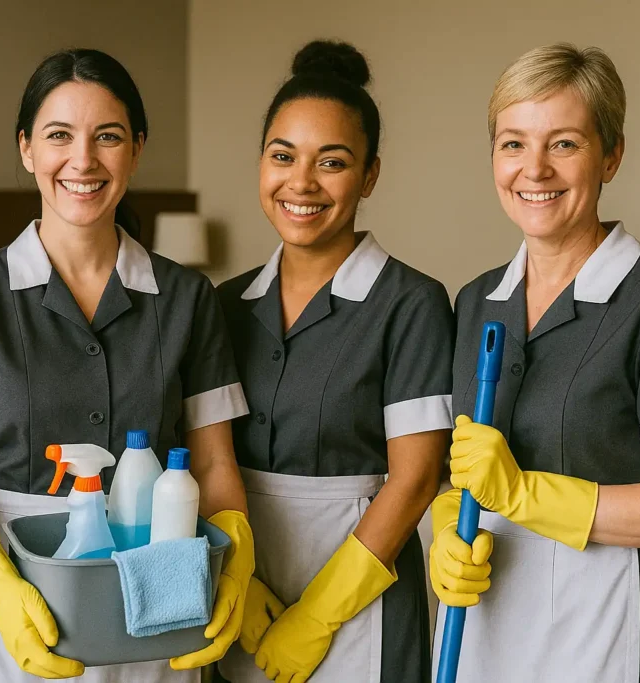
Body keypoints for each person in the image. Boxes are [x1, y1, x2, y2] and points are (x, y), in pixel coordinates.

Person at [0, 48, 254, 682]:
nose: (84, 160)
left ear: (137, 149)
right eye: (59, 135)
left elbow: (212, 464)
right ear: (26, 149)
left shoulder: (186, 300)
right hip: (6, 610)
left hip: (152, 597)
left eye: (109, 137)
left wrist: (233, 568)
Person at [430, 43, 640, 683]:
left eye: (563, 143)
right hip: (484, 617)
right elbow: (459, 472)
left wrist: (521, 492)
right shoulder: (478, 300)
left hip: (605, 624)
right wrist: (443, 536)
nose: (533, 169)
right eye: (513, 144)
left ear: (611, 155)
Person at [216, 41, 453, 683]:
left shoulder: (411, 304)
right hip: (243, 594)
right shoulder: (225, 306)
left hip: (360, 604)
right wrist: (234, 578)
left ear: (370, 175)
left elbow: (417, 477)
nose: (302, 182)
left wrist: (318, 615)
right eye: (283, 156)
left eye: (333, 162)